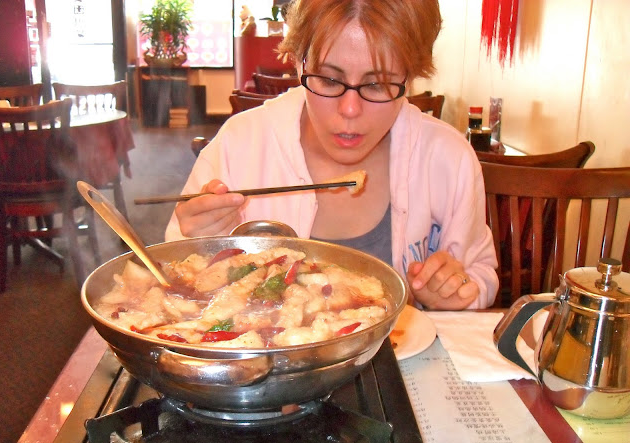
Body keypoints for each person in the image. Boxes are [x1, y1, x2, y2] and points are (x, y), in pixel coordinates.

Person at [165, 0, 499, 310]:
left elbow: (480, 274)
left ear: (410, 77)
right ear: (299, 62)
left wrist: (456, 293)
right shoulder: (239, 144)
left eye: (377, 84)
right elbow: (169, 280)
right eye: (328, 79)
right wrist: (198, 248)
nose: (350, 109)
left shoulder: (448, 157)